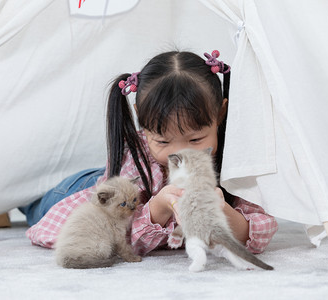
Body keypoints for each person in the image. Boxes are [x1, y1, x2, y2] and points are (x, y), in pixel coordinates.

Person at [23, 50, 278, 255]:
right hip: (89, 189)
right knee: (35, 207)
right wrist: (159, 207)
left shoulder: (235, 157)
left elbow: (261, 230)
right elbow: (113, 236)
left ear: (220, 115)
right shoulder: (137, 161)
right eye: (164, 142)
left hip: (109, 178)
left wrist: (223, 211)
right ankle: (24, 198)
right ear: (142, 122)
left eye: (196, 139)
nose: (179, 154)